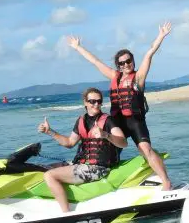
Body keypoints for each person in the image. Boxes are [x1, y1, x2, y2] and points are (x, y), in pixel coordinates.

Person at [67, 22, 173, 191]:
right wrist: (78, 47)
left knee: (145, 149)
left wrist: (160, 36)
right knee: (103, 151)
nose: (125, 65)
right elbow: (95, 61)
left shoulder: (138, 78)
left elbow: (149, 54)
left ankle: (166, 181)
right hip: (117, 123)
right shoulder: (113, 76)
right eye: (121, 63)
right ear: (118, 65)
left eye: (128, 61)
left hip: (135, 122)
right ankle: (92, 176)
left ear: (132, 61)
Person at [37, 88, 128, 213]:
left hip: (98, 167)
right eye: (92, 101)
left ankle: (66, 213)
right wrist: (50, 132)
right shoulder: (81, 121)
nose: (96, 104)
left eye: (99, 101)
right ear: (85, 102)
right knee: (41, 169)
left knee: (49, 175)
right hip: (82, 164)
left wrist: (106, 135)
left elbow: (124, 143)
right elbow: (69, 143)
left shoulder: (108, 120)